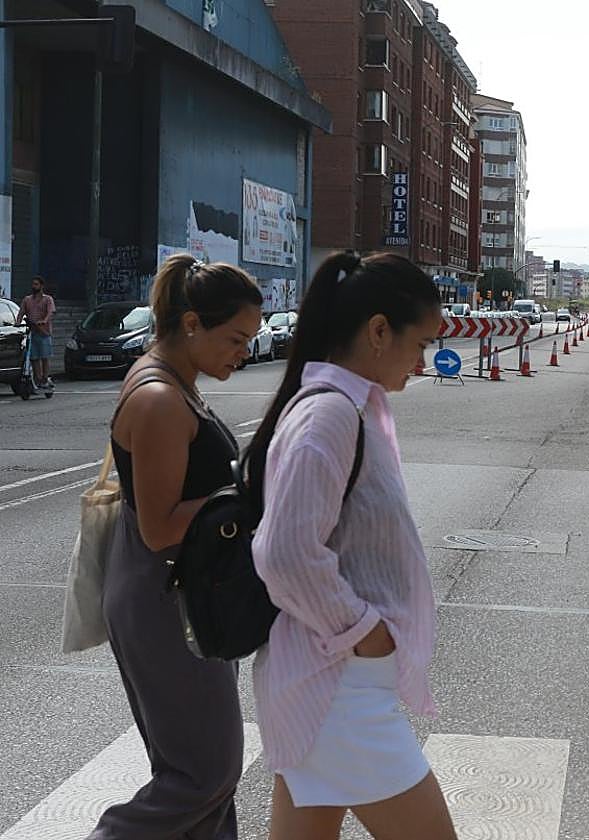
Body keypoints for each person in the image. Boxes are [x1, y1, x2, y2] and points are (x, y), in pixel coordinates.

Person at [247, 251, 455, 840]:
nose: (423, 362)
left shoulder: (347, 407)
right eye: (419, 345)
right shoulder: (331, 416)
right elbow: (284, 552)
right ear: (379, 331)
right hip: (337, 684)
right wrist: (365, 629)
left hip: (328, 679)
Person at [91, 254, 263, 839]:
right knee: (203, 773)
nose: (243, 352)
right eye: (236, 338)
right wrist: (246, 499)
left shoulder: (173, 382)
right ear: (192, 324)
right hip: (164, 600)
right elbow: (160, 524)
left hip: (177, 593)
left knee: (204, 778)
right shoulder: (161, 398)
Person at [16, 275, 55, 389]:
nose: (34, 286)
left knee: (45, 356)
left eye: (36, 284)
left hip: (44, 332)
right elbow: (21, 312)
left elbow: (50, 313)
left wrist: (44, 320)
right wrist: (18, 322)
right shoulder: (27, 299)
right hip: (32, 332)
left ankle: (45, 378)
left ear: (41, 286)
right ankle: (37, 379)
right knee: (33, 357)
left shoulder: (47, 299)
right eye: (33, 284)